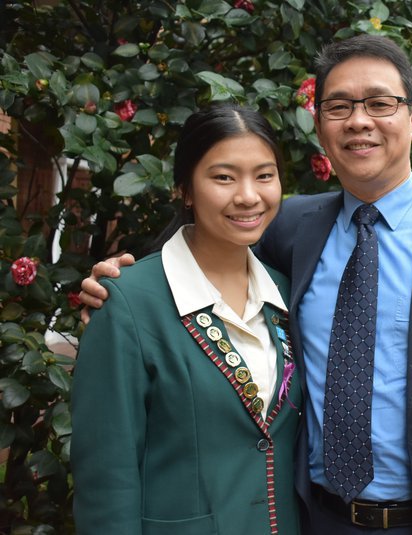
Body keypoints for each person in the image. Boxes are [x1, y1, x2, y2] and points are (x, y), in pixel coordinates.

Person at [79, 34, 412, 535]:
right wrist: (120, 288)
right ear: (318, 127)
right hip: (312, 517)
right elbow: (207, 253)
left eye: (380, 103)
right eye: (338, 107)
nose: (359, 121)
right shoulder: (291, 228)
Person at [71, 105, 302, 535]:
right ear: (186, 190)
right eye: (224, 177)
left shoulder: (288, 293)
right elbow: (106, 477)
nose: (249, 195)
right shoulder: (127, 304)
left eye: (264, 175)